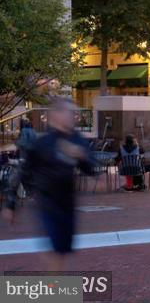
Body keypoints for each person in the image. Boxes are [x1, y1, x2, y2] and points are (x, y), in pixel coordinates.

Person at [2, 97, 97, 271]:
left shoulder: (78, 140)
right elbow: (22, 171)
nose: (74, 117)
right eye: (70, 113)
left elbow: (92, 169)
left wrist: (81, 155)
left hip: (68, 203)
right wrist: (10, 204)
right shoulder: (43, 143)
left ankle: (55, 283)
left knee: (63, 250)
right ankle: (54, 287)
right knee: (55, 249)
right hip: (46, 203)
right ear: (57, 115)